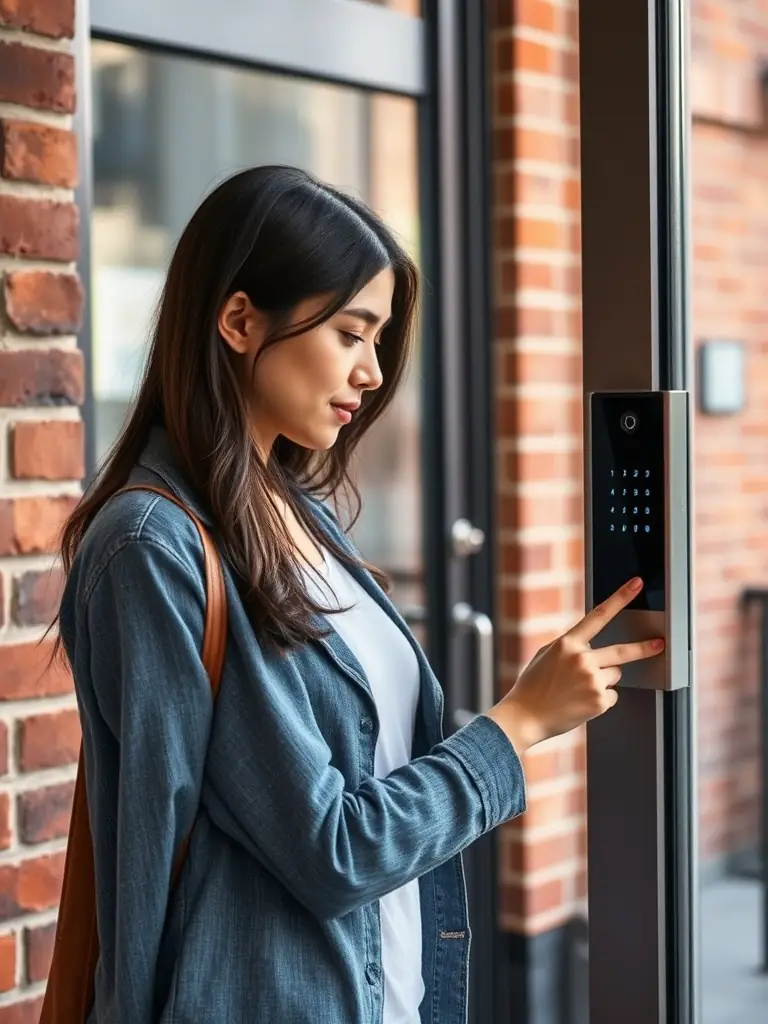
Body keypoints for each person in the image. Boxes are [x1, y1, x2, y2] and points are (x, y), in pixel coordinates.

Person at [53, 166, 663, 1024]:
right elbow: (332, 848)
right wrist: (518, 723)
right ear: (238, 320)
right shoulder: (153, 549)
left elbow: (366, 774)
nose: (374, 373)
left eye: (377, 340)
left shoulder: (293, 511)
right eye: (351, 333)